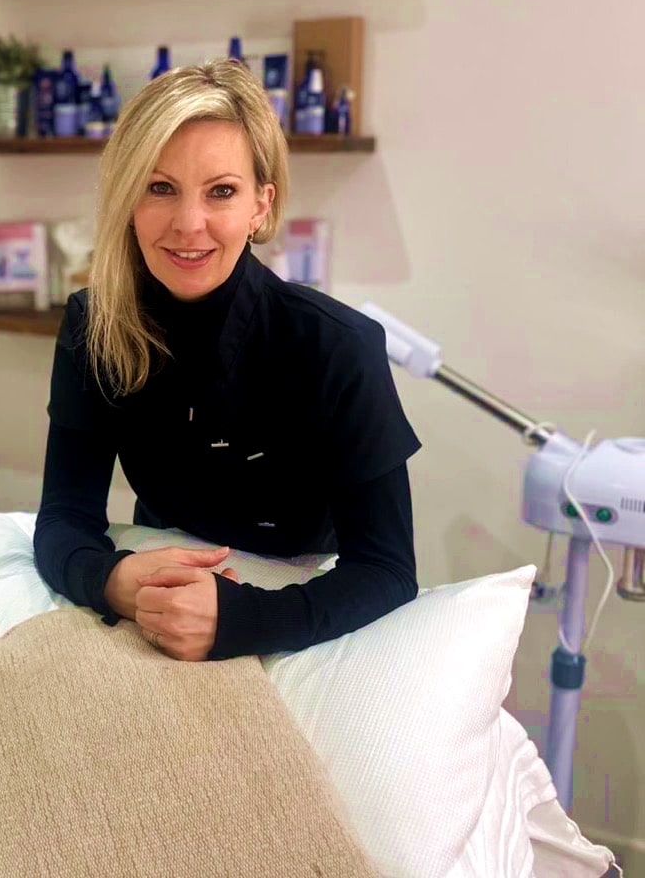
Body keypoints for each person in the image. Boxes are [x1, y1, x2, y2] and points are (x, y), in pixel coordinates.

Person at [34, 58, 420, 662]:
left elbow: (389, 569)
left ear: (260, 207)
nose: (190, 226)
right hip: (157, 594)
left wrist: (243, 621)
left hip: (299, 597)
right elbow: (63, 515)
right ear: (127, 200)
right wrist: (109, 580)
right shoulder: (93, 326)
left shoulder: (338, 346)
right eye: (160, 188)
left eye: (222, 191)